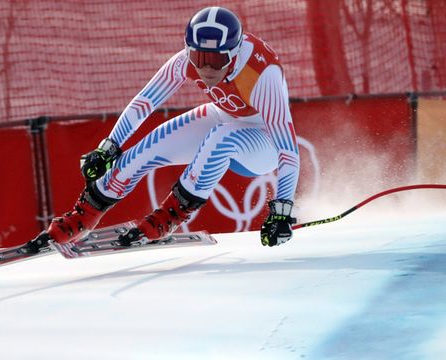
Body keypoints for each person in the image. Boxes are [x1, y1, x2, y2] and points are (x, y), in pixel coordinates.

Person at [24, 6, 300, 253]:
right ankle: (83, 215)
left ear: (235, 52)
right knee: (145, 149)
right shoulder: (186, 62)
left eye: (215, 61)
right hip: (224, 116)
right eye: (197, 56)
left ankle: (171, 215)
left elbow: (287, 150)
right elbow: (144, 102)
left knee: (222, 137)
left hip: (263, 143)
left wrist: (281, 212)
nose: (204, 67)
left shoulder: (262, 75)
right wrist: (108, 148)